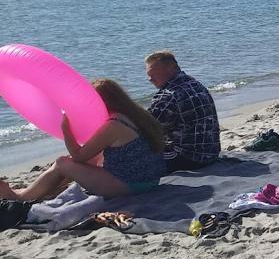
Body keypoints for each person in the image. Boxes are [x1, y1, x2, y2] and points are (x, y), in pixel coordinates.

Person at [0, 79, 166, 201]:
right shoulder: (134, 115)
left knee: (62, 162)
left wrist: (66, 128)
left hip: (131, 185)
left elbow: (79, 156)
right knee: (89, 157)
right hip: (150, 180)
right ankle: (43, 189)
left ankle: (20, 196)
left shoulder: (114, 125)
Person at [146, 50, 219, 172]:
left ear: (169, 69)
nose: (149, 79)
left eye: (152, 74)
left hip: (188, 158)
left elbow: (148, 129)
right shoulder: (195, 84)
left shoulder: (168, 95)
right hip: (211, 152)